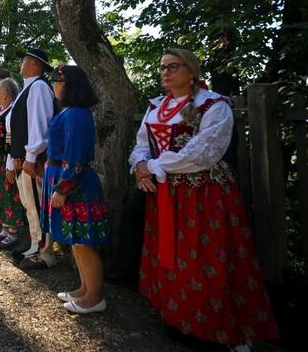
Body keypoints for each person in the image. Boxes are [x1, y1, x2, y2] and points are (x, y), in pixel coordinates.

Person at [130, 49, 277, 348]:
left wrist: (154, 166)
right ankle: (178, 319)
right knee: (171, 256)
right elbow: (141, 145)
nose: (166, 72)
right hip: (165, 193)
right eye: (162, 68)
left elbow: (204, 152)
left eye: (173, 67)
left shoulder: (213, 104)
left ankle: (222, 330)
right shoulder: (156, 106)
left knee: (207, 258)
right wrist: (140, 167)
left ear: (191, 70)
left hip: (203, 194)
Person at [42, 65, 108, 314]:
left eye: (57, 81)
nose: (53, 85)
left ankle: (94, 296)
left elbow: (75, 155)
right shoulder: (70, 112)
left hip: (75, 184)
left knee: (83, 240)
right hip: (64, 178)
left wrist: (63, 188)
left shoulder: (77, 114)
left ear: (70, 85)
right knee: (75, 239)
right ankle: (84, 288)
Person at [6, 48, 57, 269]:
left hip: (34, 160)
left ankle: (44, 252)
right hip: (25, 158)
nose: (21, 65)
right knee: (30, 205)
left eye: (24, 61)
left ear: (35, 64)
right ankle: (35, 244)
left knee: (36, 204)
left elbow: (40, 124)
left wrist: (31, 155)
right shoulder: (29, 89)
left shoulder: (38, 87)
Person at [0, 78, 26, 250]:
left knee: (9, 192)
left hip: (5, 158)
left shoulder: (14, 110)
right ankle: (4, 229)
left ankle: (13, 233)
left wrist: (11, 163)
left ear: (5, 93)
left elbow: (14, 139)